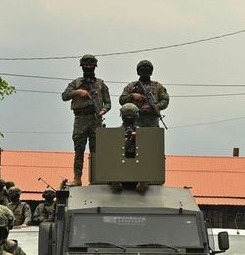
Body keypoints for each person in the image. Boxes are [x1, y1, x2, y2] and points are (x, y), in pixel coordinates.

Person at [61, 54, 111, 187]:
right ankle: (77, 178)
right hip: (80, 119)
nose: (88, 67)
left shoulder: (100, 84)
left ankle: (97, 178)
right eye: (86, 65)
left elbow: (108, 103)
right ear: (82, 66)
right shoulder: (76, 83)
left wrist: (103, 111)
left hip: (95, 119)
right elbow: (64, 96)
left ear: (95, 66)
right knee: (79, 150)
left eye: (91, 65)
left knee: (96, 150)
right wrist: (78, 92)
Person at [119, 60, 169, 128]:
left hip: (152, 123)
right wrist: (132, 96)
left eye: (147, 69)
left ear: (151, 71)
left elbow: (165, 101)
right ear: (138, 71)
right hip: (134, 122)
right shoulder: (131, 86)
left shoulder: (158, 86)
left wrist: (154, 107)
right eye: (142, 69)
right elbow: (121, 100)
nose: (145, 71)